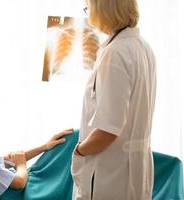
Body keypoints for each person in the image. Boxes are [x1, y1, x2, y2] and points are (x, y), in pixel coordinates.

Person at [71, 0, 156, 199]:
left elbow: (108, 129)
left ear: (103, 9)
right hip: (133, 170)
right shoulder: (143, 48)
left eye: (88, 7)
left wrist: (79, 151)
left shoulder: (115, 53)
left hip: (109, 173)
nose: (88, 13)